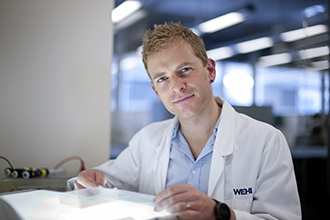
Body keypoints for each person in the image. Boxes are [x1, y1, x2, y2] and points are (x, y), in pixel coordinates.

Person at [71, 22, 301, 220]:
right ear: (155, 90)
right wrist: (90, 183)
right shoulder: (147, 140)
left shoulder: (266, 140)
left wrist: (219, 213)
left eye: (185, 70)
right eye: (163, 78)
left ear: (210, 70)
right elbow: (107, 183)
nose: (176, 87)